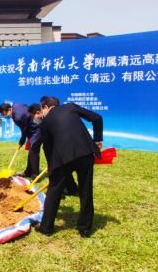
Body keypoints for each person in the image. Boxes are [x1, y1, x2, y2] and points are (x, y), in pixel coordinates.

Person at [34, 96, 103, 238]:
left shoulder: (45, 122)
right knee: (85, 189)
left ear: (46, 106)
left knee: (54, 190)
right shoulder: (71, 107)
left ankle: (46, 227)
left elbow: (47, 147)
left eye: (42, 109)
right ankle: (85, 229)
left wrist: (51, 167)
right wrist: (97, 140)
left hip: (63, 158)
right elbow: (97, 118)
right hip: (86, 153)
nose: (42, 112)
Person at [0, 102, 42, 179]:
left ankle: (35, 175)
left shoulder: (18, 117)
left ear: (9, 109)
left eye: (3, 113)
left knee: (33, 151)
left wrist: (22, 141)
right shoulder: (16, 104)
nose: (3, 115)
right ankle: (28, 172)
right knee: (31, 152)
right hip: (34, 124)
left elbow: (24, 130)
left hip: (38, 129)